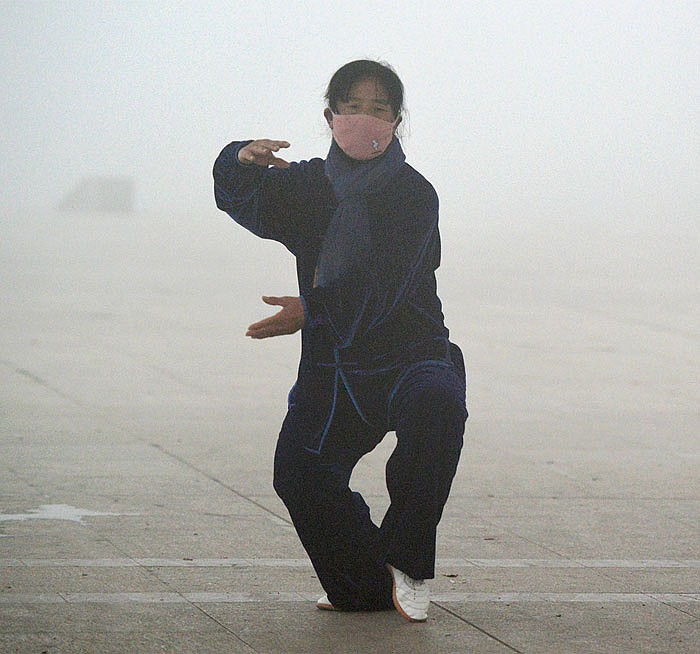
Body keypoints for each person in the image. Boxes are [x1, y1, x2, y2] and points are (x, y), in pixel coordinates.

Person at [213, 60, 468, 622]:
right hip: (337, 364)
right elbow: (243, 200)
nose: (364, 118)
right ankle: (364, 584)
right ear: (330, 117)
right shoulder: (308, 186)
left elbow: (384, 283)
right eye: (352, 107)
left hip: (411, 354)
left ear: (397, 121)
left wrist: (312, 309)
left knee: (438, 406)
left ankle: (408, 559)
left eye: (379, 109)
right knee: (300, 472)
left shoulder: (413, 194)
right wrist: (236, 158)